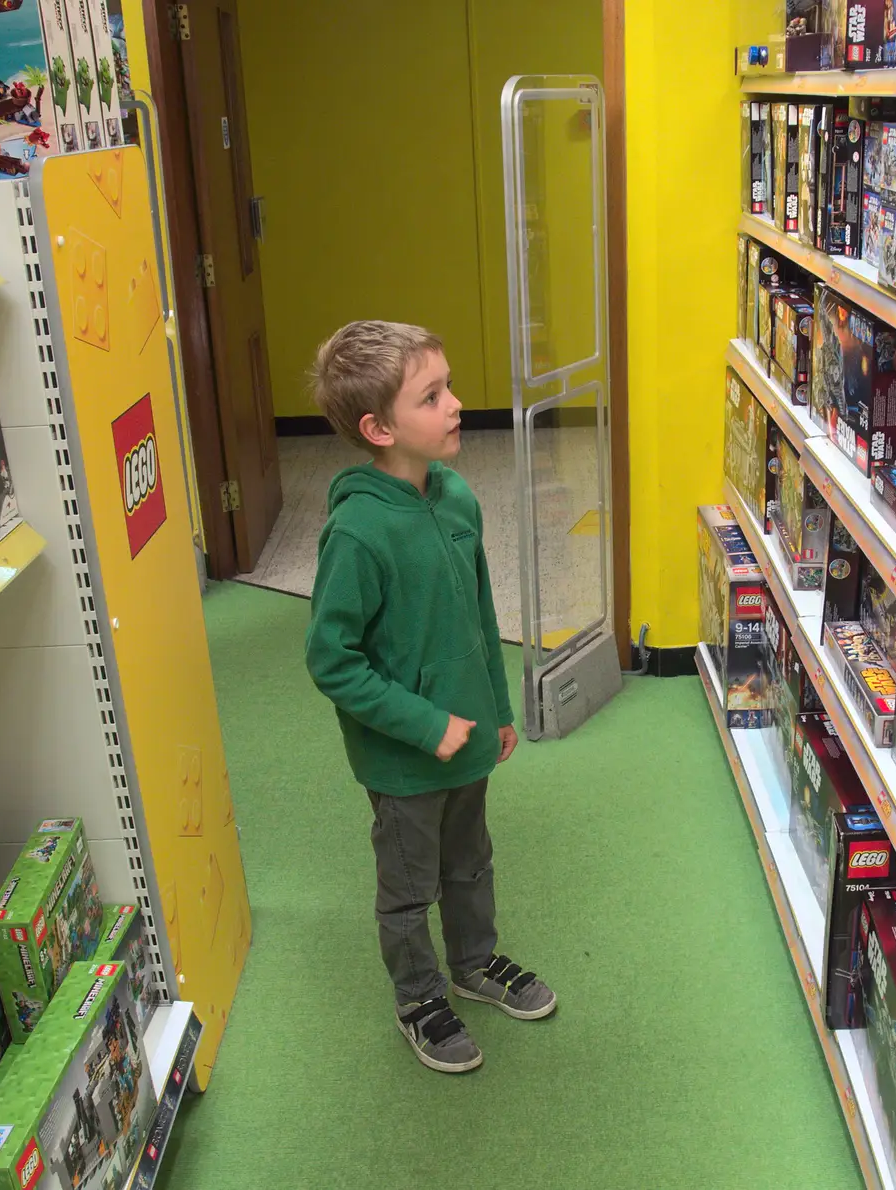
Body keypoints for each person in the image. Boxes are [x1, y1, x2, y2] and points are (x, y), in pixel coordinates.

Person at [304, 320, 555, 1074]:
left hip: (470, 737)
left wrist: (499, 711)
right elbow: (331, 661)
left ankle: (474, 962)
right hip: (405, 761)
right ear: (379, 429)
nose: (455, 406)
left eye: (447, 388)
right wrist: (425, 724)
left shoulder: (455, 499)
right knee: (409, 887)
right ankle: (417, 995)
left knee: (471, 862)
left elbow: (480, 613)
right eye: (433, 396)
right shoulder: (356, 534)